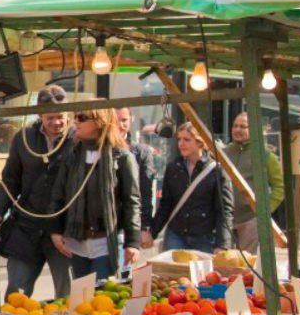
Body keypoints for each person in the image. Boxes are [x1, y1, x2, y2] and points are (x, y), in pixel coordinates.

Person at [0, 86, 75, 298]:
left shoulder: (77, 140)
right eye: (50, 118)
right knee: (16, 294)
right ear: (40, 115)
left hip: (63, 230)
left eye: (61, 116)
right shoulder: (24, 138)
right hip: (27, 227)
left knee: (67, 295)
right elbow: (11, 180)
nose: (57, 122)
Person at [48, 109, 141, 280]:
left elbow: (131, 202)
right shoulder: (71, 156)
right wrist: (55, 231)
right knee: (82, 301)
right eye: (76, 117)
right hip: (76, 242)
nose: (76, 121)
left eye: (82, 117)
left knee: (103, 297)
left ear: (100, 122)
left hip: (107, 241)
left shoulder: (122, 157)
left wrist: (133, 241)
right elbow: (57, 196)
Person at [146, 123, 233, 254]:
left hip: (204, 236)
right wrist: (152, 232)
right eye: (179, 139)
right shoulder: (173, 167)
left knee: (202, 274)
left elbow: (224, 210)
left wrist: (222, 244)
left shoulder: (217, 170)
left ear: (200, 142)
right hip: (176, 234)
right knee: (172, 273)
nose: (181, 143)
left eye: (187, 140)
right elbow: (166, 205)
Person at [226, 112, 284, 253]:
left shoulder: (266, 156)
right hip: (225, 218)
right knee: (223, 265)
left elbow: (280, 188)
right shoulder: (223, 153)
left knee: (248, 267)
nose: (238, 130)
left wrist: (264, 211)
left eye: (243, 126)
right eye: (235, 126)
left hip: (251, 220)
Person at [117, 108, 159, 237]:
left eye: (124, 120)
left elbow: (145, 193)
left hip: (130, 222)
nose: (120, 125)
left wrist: (145, 226)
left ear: (131, 119)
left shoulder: (142, 152)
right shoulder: (98, 148)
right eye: (115, 120)